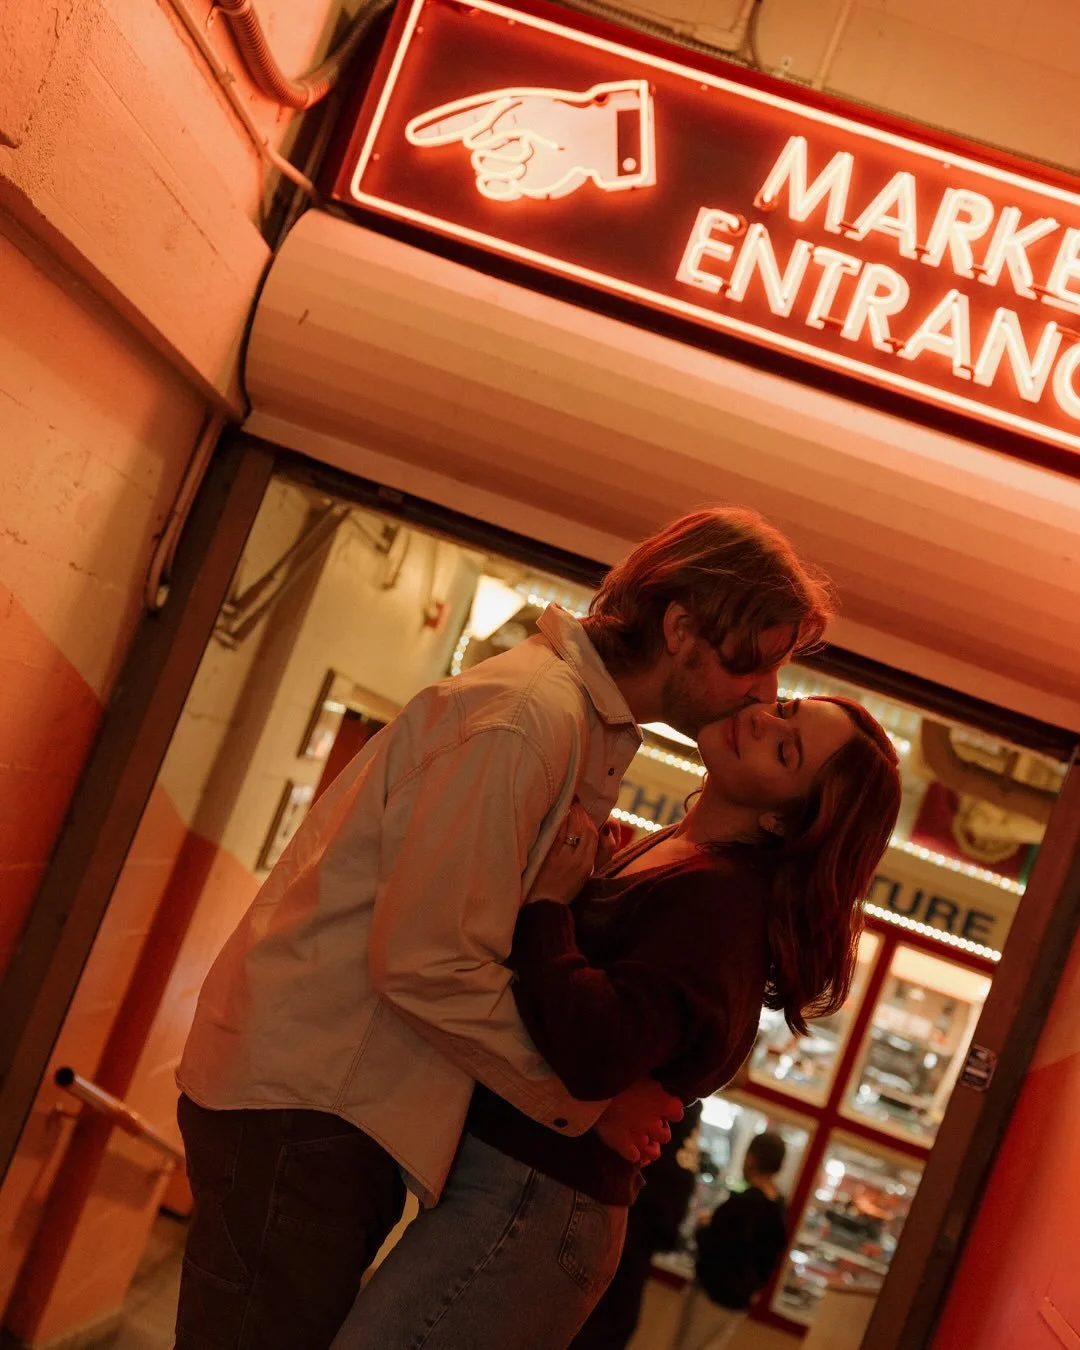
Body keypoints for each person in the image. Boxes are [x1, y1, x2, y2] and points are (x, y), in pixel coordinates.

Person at [173, 507, 834, 1350]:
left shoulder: (571, 725)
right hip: (312, 1101)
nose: (765, 695)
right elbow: (429, 963)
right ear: (682, 628)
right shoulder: (528, 720)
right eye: (761, 662)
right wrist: (584, 1106)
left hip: (338, 1101)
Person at [330, 694, 902, 1350]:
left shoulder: (720, 900)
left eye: (785, 750)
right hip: (514, 1189)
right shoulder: (684, 850)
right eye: (788, 709)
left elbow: (597, 1050)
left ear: (782, 820)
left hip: (534, 1201)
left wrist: (550, 905)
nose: (763, 718)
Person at [569, 1101, 703, 1350]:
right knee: (602, 1325)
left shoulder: (691, 1102)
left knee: (615, 1325)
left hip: (641, 1237)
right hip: (628, 1228)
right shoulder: (677, 1093)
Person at [673, 1131, 789, 1350]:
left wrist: (705, 1225)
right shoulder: (779, 1207)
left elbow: (715, 1244)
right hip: (739, 1301)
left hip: (713, 1292)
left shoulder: (743, 1204)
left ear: (751, 1158)